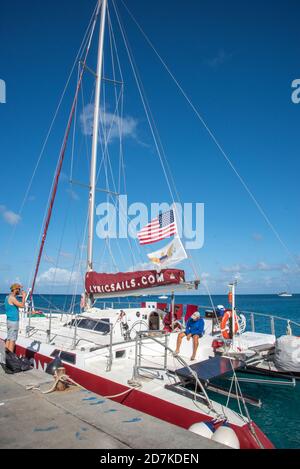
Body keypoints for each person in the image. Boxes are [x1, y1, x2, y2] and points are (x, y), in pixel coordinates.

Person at [4, 283, 26, 353]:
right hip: (13, 322)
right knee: (12, 340)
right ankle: (10, 359)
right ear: (15, 290)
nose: (19, 291)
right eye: (19, 289)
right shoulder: (12, 298)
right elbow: (22, 305)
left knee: (9, 338)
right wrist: (24, 296)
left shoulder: (7, 297)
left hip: (9, 320)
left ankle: (5, 357)